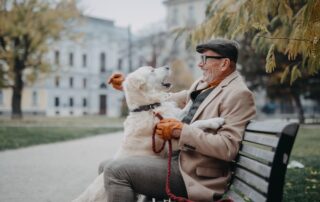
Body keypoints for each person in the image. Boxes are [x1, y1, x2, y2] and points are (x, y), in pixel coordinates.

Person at [102, 38, 256, 202]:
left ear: (224, 64)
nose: (200, 64)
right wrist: (131, 85)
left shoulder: (238, 94)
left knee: (115, 171)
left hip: (194, 175)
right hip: (176, 160)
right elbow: (165, 99)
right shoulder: (204, 83)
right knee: (105, 166)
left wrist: (182, 131)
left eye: (205, 59)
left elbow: (227, 147)